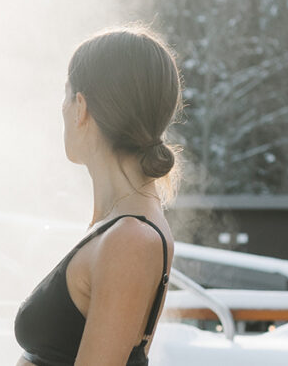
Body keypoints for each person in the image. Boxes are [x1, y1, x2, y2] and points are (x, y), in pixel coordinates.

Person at [13, 26, 182, 366]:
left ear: (81, 107)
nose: (61, 109)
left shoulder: (130, 238)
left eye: (65, 95)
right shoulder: (124, 226)